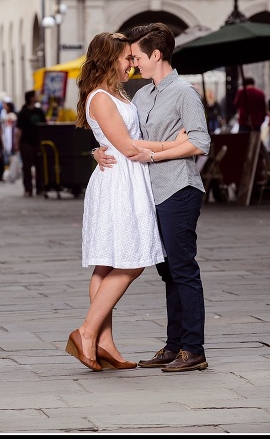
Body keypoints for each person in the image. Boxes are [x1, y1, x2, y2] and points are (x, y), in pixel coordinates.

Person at [94, 22, 211, 373]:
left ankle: (194, 349)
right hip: (148, 192)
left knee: (183, 269)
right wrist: (98, 151)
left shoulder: (185, 93)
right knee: (168, 273)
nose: (132, 63)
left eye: (137, 57)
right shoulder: (142, 95)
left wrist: (158, 154)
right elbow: (124, 138)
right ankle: (174, 345)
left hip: (179, 188)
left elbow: (201, 142)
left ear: (156, 55)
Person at [66, 31, 171, 372]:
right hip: (118, 183)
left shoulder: (118, 94)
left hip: (126, 178)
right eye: (127, 57)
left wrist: (100, 150)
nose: (132, 63)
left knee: (108, 263)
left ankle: (103, 340)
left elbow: (117, 142)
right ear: (110, 59)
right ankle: (86, 331)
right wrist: (179, 145)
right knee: (131, 260)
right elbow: (127, 146)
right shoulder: (100, 96)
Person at [15, 90, 47, 197]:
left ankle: (40, 188)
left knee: (39, 166)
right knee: (27, 167)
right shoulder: (23, 112)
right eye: (35, 96)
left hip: (38, 142)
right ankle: (28, 189)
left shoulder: (39, 111)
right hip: (26, 142)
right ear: (31, 98)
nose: (37, 97)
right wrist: (17, 143)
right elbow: (19, 129)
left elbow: (44, 125)